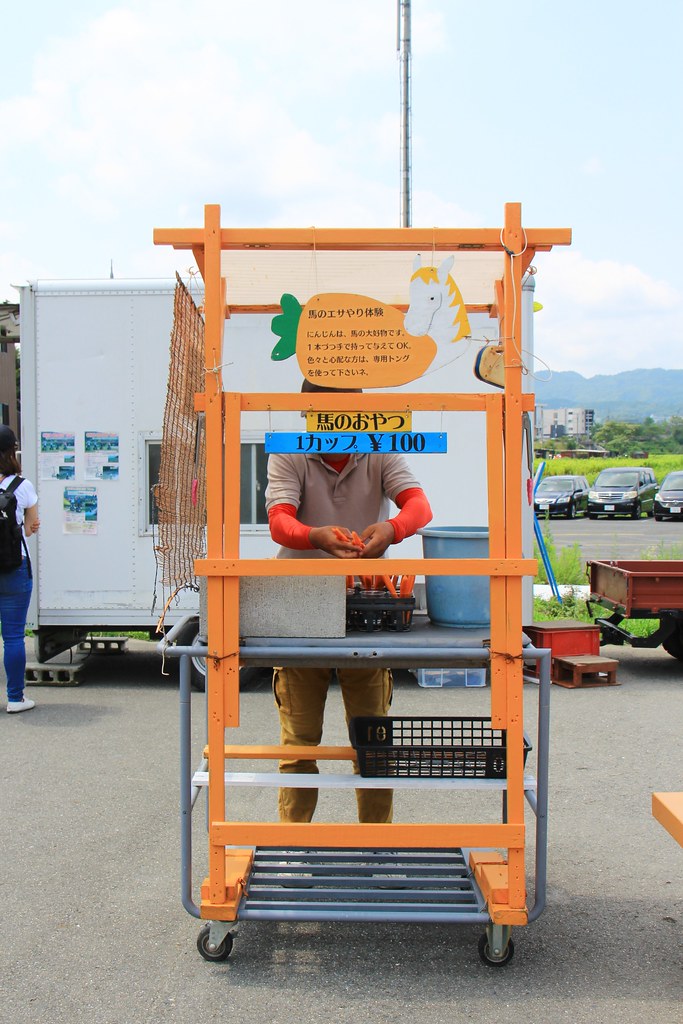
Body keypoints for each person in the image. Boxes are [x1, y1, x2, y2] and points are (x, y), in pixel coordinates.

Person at [265, 381, 432, 823]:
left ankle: (376, 846)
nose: (339, 422)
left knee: (373, 743)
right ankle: (294, 846)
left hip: (368, 607)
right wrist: (314, 535)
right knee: (299, 744)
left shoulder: (379, 449)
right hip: (300, 608)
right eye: (325, 413)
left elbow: (419, 506)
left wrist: (393, 529)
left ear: (362, 413)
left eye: (349, 412)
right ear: (306, 413)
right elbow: (279, 521)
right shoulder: (289, 452)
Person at [0, 426, 40, 713]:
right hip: (14, 567)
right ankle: (15, 698)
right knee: (13, 637)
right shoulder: (22, 486)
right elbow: (31, 527)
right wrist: (28, 525)